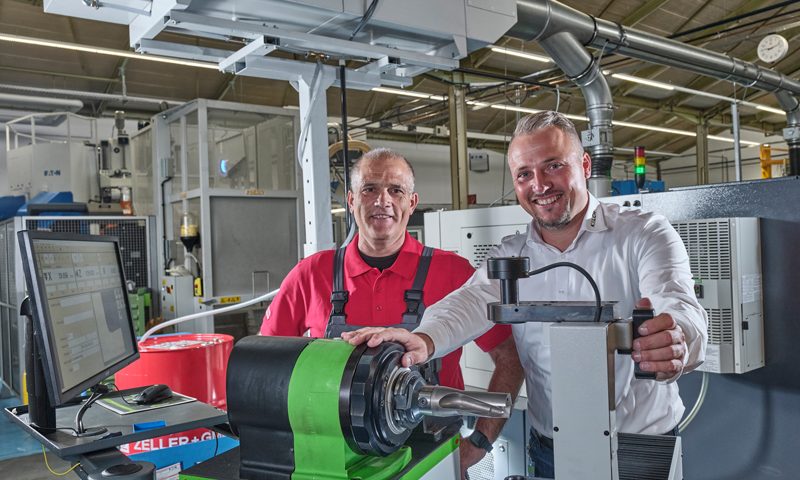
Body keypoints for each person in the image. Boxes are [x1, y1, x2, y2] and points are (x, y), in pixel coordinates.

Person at [342, 112, 708, 479]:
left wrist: (677, 340)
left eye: (553, 166)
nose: (540, 184)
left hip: (639, 448)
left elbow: (678, 306)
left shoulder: (643, 234)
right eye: (524, 174)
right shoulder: (511, 256)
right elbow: (469, 301)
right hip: (551, 449)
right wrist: (423, 339)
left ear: (584, 164)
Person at [261, 148, 524, 478]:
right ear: (352, 200)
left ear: (412, 203)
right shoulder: (310, 274)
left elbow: (510, 357)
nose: (382, 200)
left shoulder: (454, 273)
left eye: (396, 190)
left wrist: (479, 443)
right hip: (333, 463)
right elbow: (266, 367)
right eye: (369, 189)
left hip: (435, 460)